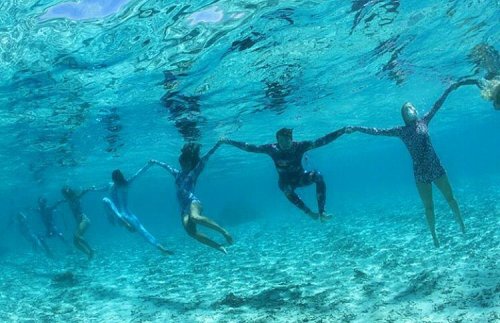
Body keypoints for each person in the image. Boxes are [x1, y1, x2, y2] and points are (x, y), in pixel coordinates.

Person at [352, 79, 480, 247]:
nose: (410, 110)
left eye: (411, 107)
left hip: (436, 167)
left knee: (451, 198)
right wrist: (356, 128)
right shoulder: (400, 130)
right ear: (403, 115)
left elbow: (438, 104)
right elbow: (377, 132)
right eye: (407, 109)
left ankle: (461, 224)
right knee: (429, 207)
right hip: (420, 173)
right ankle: (434, 235)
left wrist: (450, 88)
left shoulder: (424, 121)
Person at [221, 127, 352, 221]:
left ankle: (322, 212)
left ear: (291, 139)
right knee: (286, 188)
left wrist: (343, 130)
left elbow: (323, 141)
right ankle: (309, 213)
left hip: (301, 177)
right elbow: (249, 147)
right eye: (281, 141)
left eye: (287, 141)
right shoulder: (272, 149)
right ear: (277, 141)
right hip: (286, 182)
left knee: (318, 176)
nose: (284, 144)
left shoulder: (300, 146)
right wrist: (229, 141)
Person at [151, 142, 233, 254]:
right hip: (183, 208)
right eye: (183, 163)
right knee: (191, 232)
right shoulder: (177, 174)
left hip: (193, 202)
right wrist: (155, 162)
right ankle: (218, 246)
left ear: (190, 163)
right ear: (181, 163)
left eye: (187, 163)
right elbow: (166, 166)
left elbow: (207, 156)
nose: (185, 165)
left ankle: (224, 232)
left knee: (195, 217)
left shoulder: (194, 172)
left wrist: (218, 144)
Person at [95, 162, 173, 255]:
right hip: (125, 215)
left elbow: (139, 173)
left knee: (105, 200)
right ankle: (160, 247)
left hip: (122, 215)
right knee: (142, 231)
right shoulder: (115, 185)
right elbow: (138, 173)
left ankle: (160, 247)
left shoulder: (120, 184)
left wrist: (148, 165)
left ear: (113, 178)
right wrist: (149, 165)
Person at [61, 186, 94, 260]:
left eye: (64, 194)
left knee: (77, 235)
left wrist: (88, 189)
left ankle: (91, 250)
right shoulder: (69, 200)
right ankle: (89, 254)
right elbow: (64, 200)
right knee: (75, 242)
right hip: (79, 221)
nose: (63, 196)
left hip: (84, 220)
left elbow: (81, 193)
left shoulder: (75, 198)